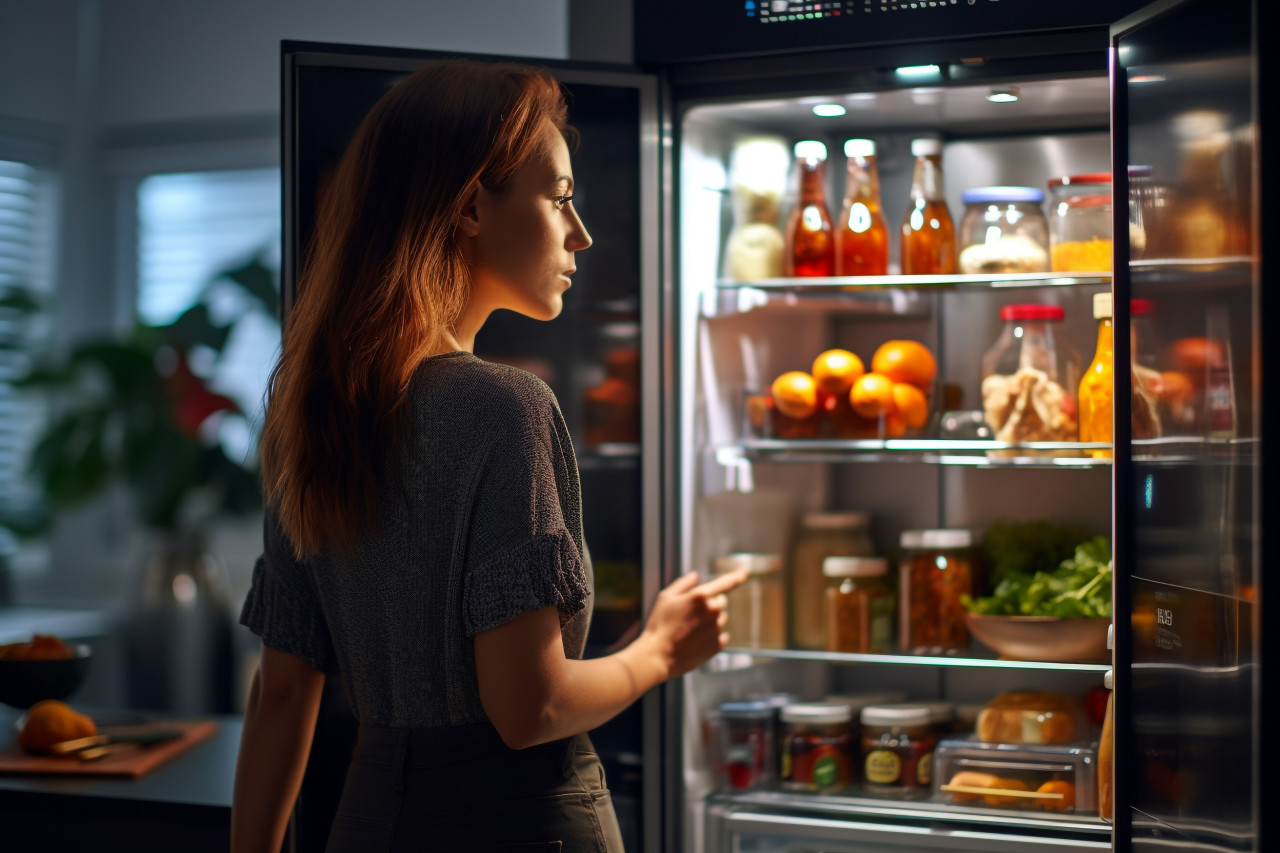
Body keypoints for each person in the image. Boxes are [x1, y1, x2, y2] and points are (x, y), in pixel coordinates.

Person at [230, 59, 747, 853]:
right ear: (472, 204)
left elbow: (282, 694)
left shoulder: (310, 414)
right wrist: (658, 652)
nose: (583, 233)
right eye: (562, 197)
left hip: (365, 824)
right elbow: (528, 709)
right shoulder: (504, 406)